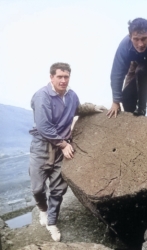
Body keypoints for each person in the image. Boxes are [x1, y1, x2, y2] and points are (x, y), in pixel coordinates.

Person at [29, 62, 105, 242]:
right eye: (59, 77)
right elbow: (44, 126)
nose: (63, 80)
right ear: (51, 77)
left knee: (58, 189)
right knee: (37, 188)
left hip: (62, 147)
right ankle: (43, 210)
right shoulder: (42, 96)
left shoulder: (71, 95)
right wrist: (63, 144)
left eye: (66, 77)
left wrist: (93, 108)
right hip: (42, 146)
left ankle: (52, 222)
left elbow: (76, 109)